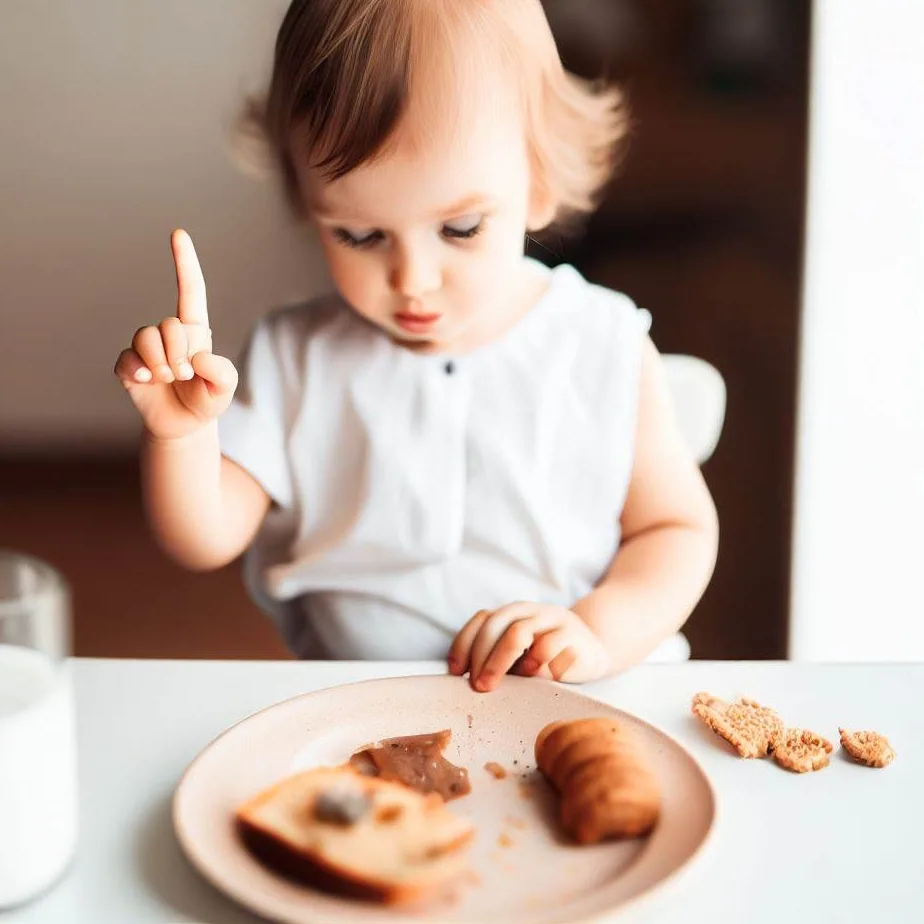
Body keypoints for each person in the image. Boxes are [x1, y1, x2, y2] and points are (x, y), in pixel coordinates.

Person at [113, 0, 718, 692]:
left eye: (460, 227)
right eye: (360, 236)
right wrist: (182, 437)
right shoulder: (295, 355)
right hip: (358, 709)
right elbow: (204, 537)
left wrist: (596, 631)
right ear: (307, 200)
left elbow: (676, 531)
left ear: (541, 181)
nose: (412, 280)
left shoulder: (600, 344)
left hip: (570, 694)